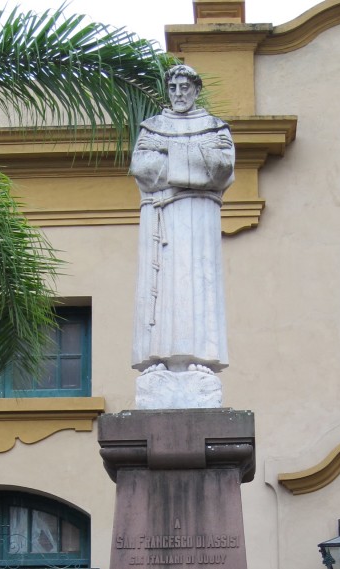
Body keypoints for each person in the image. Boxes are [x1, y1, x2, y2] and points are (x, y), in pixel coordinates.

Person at [130, 64, 234, 396]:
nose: (179, 93)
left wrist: (170, 156)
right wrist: (194, 165)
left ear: (196, 90)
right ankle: (158, 358)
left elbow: (221, 169)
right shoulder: (153, 127)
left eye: (185, 87)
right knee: (163, 287)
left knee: (198, 281)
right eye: (173, 87)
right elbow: (143, 169)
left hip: (200, 217)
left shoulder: (215, 127)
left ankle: (201, 356)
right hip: (161, 216)